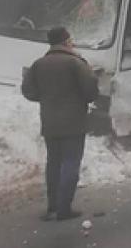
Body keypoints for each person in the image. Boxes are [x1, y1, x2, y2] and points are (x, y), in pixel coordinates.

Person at [21, 27, 99, 221]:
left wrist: (47, 99)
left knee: (53, 163)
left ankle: (53, 206)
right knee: (71, 162)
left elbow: (28, 91)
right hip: (74, 123)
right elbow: (91, 91)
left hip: (50, 123)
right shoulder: (76, 63)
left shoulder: (38, 64)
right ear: (66, 41)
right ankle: (64, 208)